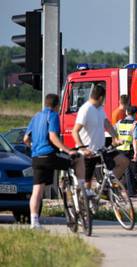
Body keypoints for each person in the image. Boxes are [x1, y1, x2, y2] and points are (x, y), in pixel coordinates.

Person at [23, 94, 85, 229]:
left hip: (36, 158)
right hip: (49, 156)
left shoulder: (36, 117)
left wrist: (34, 147)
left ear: (45, 103)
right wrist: (68, 151)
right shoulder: (53, 116)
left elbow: (26, 140)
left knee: (37, 190)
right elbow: (53, 137)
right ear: (57, 106)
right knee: (78, 159)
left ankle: (34, 222)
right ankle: (81, 188)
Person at [72, 84, 129, 195]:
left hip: (101, 151)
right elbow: (75, 131)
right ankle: (84, 209)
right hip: (88, 153)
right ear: (101, 98)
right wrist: (82, 149)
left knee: (123, 161)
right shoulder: (86, 109)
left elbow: (106, 124)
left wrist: (115, 138)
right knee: (86, 189)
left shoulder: (99, 109)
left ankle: (104, 187)